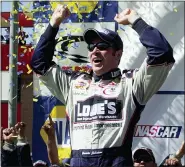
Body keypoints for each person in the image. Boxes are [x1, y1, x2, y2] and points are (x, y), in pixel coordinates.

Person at [30, 5, 175, 167]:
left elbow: (162, 54)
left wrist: (136, 21)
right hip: (79, 160)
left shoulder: (131, 83)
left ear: (118, 54)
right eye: (92, 47)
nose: (95, 51)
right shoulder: (72, 84)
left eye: (103, 46)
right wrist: (53, 24)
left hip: (115, 160)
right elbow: (39, 64)